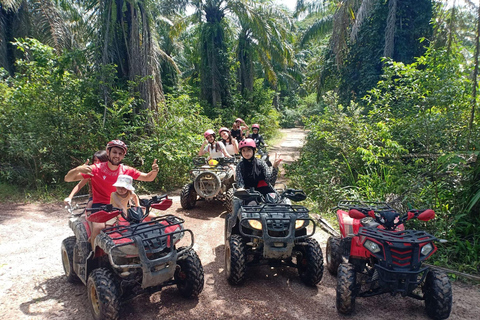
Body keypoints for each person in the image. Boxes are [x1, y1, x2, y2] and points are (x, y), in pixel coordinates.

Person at [64, 139, 159, 247]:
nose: (117, 156)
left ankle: (153, 248)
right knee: (98, 228)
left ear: (123, 156)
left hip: (123, 205)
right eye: (114, 152)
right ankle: (93, 256)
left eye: (120, 153)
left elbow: (148, 177)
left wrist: (154, 171)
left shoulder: (126, 170)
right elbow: (68, 178)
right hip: (101, 206)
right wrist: (77, 169)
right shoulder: (95, 169)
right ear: (108, 152)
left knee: (152, 217)